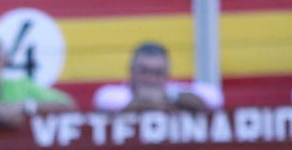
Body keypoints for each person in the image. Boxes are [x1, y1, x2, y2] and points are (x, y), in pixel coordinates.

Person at [92, 42, 222, 113]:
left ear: (167, 74)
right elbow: (107, 102)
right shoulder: (113, 93)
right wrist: (166, 103)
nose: (151, 79)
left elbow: (214, 97)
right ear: (131, 71)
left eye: (158, 73)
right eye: (144, 71)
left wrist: (168, 97)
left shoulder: (173, 91)